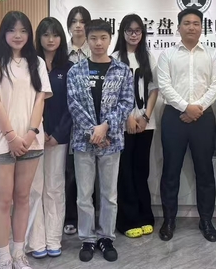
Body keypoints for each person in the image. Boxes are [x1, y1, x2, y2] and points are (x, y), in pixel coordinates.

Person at [0, 11, 52, 269]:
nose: (17, 35)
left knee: (22, 198)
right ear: (3, 33)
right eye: (12, 30)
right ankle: (4, 256)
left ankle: (19, 253)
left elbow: (40, 98)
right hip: (0, 141)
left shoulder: (37, 62)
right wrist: (11, 136)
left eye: (23, 30)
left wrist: (30, 134)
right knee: (3, 200)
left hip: (30, 141)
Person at [67, 19, 134, 263]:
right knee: (84, 194)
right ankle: (87, 238)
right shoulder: (76, 71)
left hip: (111, 141)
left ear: (110, 39)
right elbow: (73, 104)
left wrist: (104, 128)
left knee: (109, 194)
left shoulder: (122, 70)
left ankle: (106, 237)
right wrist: (93, 132)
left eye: (103, 38)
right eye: (93, 38)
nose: (98, 43)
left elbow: (126, 103)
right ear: (87, 39)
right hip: (83, 142)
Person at [157, 8, 216, 243]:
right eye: (187, 23)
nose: (191, 27)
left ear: (202, 27)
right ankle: (169, 220)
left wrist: (196, 109)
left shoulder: (213, 54)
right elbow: (164, 85)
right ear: (178, 27)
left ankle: (206, 220)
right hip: (173, 117)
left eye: (196, 23)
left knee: (205, 171)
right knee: (170, 171)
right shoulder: (167, 55)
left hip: (203, 118)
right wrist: (186, 107)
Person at [26, 17, 73, 259]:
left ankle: (54, 238)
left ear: (61, 38)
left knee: (55, 187)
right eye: (46, 34)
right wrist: (36, 130)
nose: (51, 39)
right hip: (33, 135)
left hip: (58, 137)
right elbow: (26, 102)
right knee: (34, 188)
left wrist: (57, 134)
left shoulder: (69, 67)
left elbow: (72, 105)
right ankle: (36, 241)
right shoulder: (29, 64)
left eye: (55, 34)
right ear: (39, 38)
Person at [112, 14, 158, 238]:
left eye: (137, 30)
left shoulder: (148, 57)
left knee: (141, 171)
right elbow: (111, 95)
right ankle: (127, 220)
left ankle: (145, 216)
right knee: (124, 172)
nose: (133, 34)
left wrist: (145, 117)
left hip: (145, 125)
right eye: (129, 30)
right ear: (122, 33)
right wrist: (127, 117)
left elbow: (154, 90)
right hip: (122, 126)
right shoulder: (114, 58)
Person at [64, 6, 92, 236]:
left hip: (93, 123)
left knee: (92, 175)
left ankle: (93, 219)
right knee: (70, 173)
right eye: (74, 21)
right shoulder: (62, 53)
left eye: (82, 21)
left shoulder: (97, 52)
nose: (78, 25)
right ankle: (70, 217)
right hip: (67, 122)